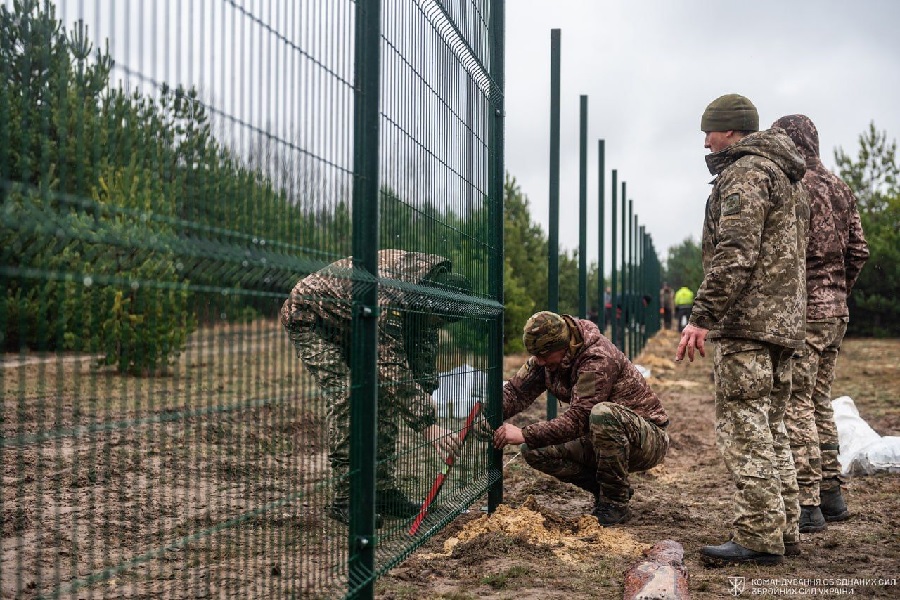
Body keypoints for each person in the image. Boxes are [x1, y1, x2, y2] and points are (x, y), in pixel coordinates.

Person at [676, 94, 808, 565]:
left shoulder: (746, 174)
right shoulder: (787, 176)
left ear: (730, 131)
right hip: (781, 325)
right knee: (772, 428)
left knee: (744, 428)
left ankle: (757, 535)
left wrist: (702, 317)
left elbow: (735, 252)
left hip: (748, 326)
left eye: (709, 131)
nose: (705, 140)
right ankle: (784, 528)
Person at [280, 249, 469, 525]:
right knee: (348, 396)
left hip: (355, 323)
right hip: (314, 317)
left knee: (385, 397)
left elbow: (423, 343)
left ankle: (381, 491)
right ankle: (348, 498)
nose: (435, 324)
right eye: (435, 319)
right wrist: (427, 424)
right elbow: (391, 365)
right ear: (428, 304)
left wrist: (424, 391)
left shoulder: (429, 292)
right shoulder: (390, 293)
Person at [772, 114, 869, 533]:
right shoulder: (841, 187)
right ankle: (832, 494)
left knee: (795, 402)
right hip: (838, 313)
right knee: (820, 401)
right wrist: (839, 288)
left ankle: (808, 502)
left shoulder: (796, 187)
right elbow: (860, 250)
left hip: (806, 313)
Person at [493, 311, 669, 525]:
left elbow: (580, 418)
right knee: (534, 450)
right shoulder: (547, 359)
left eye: (544, 355)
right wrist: (486, 415)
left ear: (562, 346)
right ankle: (607, 488)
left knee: (603, 414)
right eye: (535, 355)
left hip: (647, 438)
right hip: (603, 436)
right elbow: (515, 392)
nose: (539, 361)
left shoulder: (597, 357)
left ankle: (615, 504)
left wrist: (524, 433)